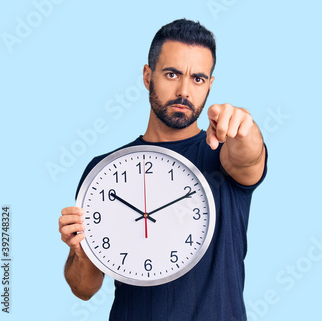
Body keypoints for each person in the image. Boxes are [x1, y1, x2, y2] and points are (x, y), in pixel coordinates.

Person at [58, 19, 267, 320]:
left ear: (209, 84)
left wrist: (245, 127)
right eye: (172, 74)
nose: (184, 91)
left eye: (197, 79)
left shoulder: (224, 156)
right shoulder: (104, 171)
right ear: (147, 76)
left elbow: (248, 157)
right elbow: (85, 288)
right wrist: (79, 251)